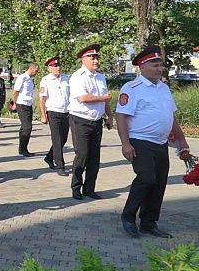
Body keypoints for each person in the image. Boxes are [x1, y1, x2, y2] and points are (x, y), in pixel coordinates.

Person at [116, 46, 189, 238]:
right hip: (140, 141)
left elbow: (171, 118)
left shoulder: (164, 88)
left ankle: (149, 222)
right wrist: (125, 143)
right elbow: (121, 117)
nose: (159, 69)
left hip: (160, 142)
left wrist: (181, 142)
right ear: (142, 66)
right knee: (146, 177)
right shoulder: (131, 89)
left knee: (159, 182)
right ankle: (128, 216)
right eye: (155, 65)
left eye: (161, 66)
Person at [68, 44, 113, 200]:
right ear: (83, 59)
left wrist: (109, 116)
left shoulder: (100, 77)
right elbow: (83, 98)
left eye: (96, 57)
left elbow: (106, 99)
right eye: (92, 57)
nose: (95, 60)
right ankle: (76, 187)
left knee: (95, 156)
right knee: (82, 154)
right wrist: (104, 98)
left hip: (96, 120)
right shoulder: (78, 77)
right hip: (80, 119)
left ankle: (89, 188)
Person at [39, 57, 70, 177]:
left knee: (63, 139)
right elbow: (42, 98)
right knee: (56, 139)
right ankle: (60, 166)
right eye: (55, 66)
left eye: (58, 66)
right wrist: (43, 114)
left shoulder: (66, 79)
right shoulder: (45, 80)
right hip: (53, 112)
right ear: (49, 68)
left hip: (66, 112)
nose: (58, 68)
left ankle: (49, 157)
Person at [11, 62, 39, 157]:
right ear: (31, 69)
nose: (37, 72)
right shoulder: (22, 78)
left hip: (28, 104)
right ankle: (24, 149)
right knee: (27, 127)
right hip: (21, 104)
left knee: (24, 127)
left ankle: (22, 148)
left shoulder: (31, 79)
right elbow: (15, 92)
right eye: (36, 70)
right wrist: (14, 103)